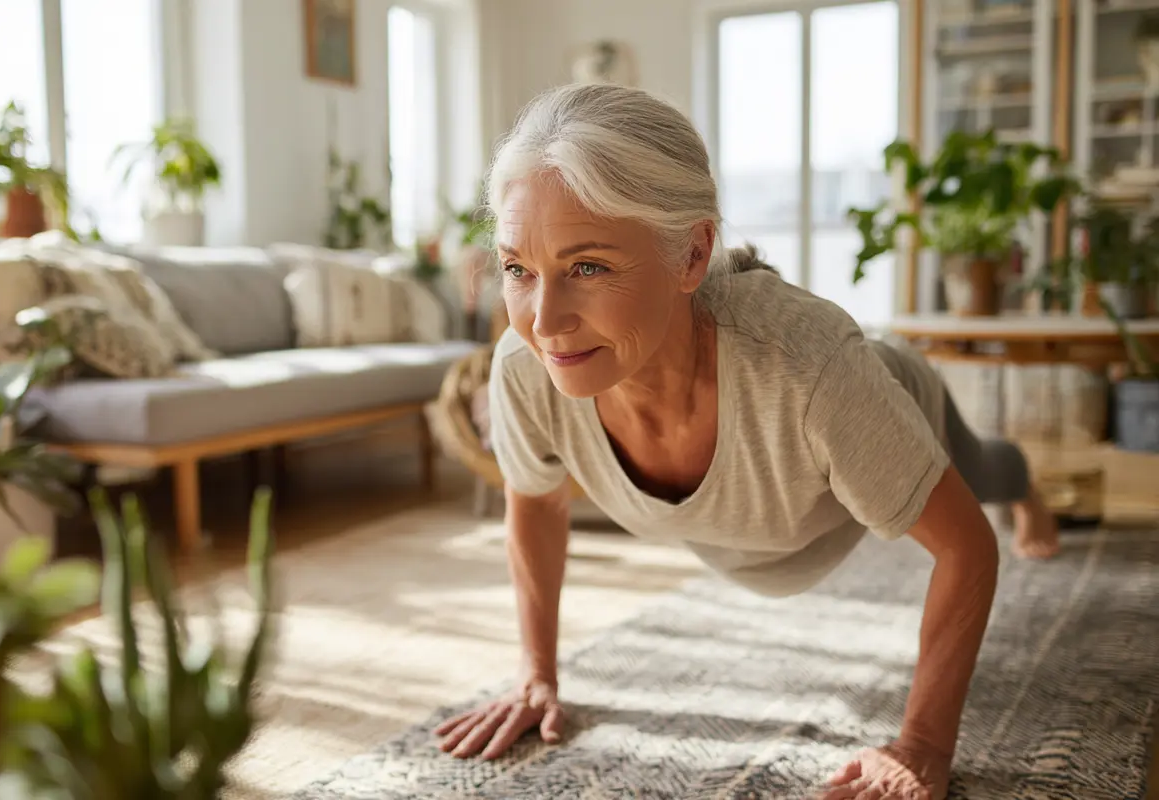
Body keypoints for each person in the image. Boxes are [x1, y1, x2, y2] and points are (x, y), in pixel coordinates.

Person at [432, 83, 1059, 799]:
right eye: (519, 269)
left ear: (692, 254)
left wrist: (922, 745)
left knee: (987, 472)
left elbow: (966, 547)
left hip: (878, 396)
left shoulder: (812, 372)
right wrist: (536, 675)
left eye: (588, 267)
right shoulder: (527, 369)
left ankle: (1031, 485)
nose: (544, 321)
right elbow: (536, 506)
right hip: (771, 502)